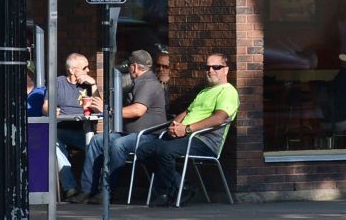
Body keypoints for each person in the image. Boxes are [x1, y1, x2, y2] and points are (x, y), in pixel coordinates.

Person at [68, 49, 170, 201]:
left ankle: (107, 192)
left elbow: (137, 110)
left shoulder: (148, 83)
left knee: (118, 144)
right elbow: (107, 106)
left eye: (129, 66)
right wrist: (95, 87)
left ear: (134, 67)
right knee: (97, 140)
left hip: (149, 136)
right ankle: (87, 190)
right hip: (131, 135)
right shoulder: (136, 83)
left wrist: (108, 110)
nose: (127, 69)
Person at [139, 52, 239, 201]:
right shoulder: (204, 91)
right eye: (208, 67)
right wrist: (174, 126)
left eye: (216, 67)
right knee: (144, 149)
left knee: (165, 150)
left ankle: (166, 193)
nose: (211, 70)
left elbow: (219, 118)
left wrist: (187, 129)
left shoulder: (228, 91)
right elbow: (187, 112)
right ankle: (182, 186)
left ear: (226, 69)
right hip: (186, 136)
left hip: (205, 140)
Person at [53, 52, 103, 196]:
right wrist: (50, 110)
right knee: (54, 141)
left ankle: (91, 188)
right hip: (61, 129)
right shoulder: (58, 83)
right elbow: (46, 106)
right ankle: (70, 188)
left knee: (93, 145)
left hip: (82, 131)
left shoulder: (86, 85)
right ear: (72, 70)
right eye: (85, 67)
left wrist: (93, 84)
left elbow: (97, 108)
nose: (88, 70)